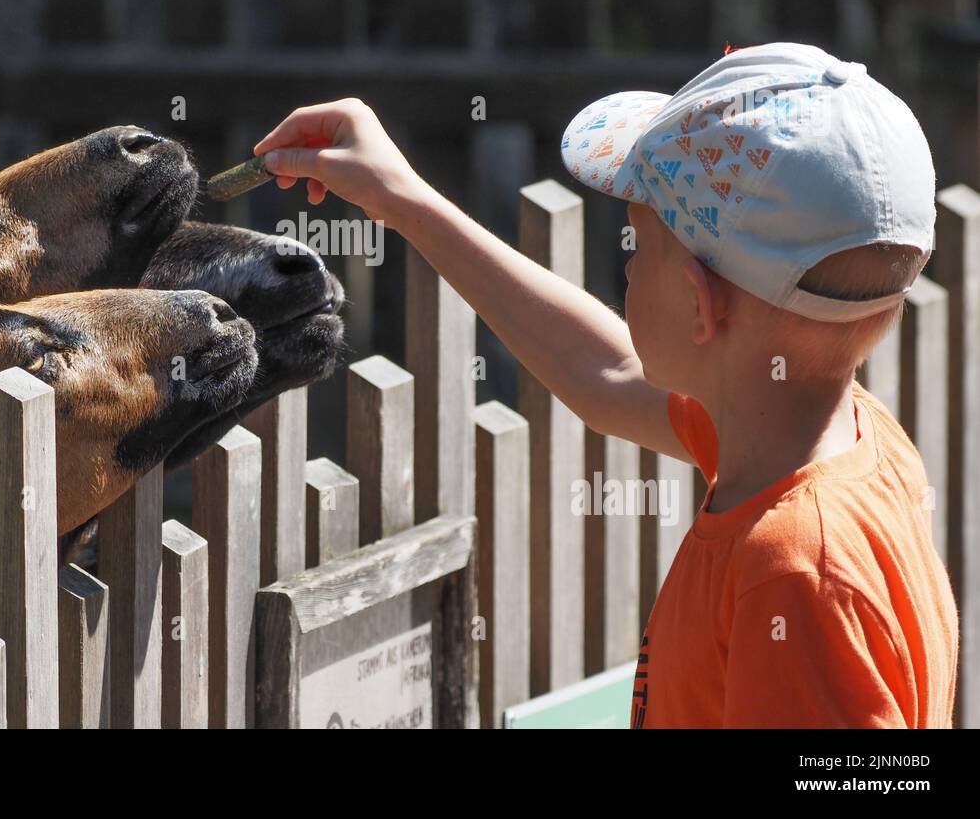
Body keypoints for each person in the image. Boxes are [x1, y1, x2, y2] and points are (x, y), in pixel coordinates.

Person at [254, 42, 959, 728]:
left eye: (638, 242)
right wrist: (405, 200)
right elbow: (606, 371)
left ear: (699, 303)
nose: (625, 267)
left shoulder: (795, 572)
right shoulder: (836, 437)